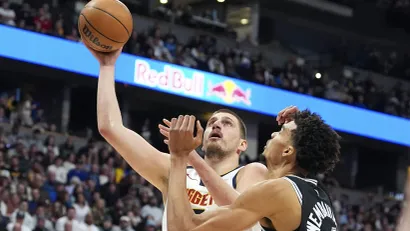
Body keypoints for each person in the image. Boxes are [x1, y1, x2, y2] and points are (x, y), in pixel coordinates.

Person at [85, 45, 268, 230]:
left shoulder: (251, 172)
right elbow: (110, 128)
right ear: (203, 141)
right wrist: (107, 67)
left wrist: (189, 155)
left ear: (242, 144)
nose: (216, 124)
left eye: (227, 123)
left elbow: (241, 214)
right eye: (212, 122)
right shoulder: (175, 168)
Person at [166, 110, 341, 231]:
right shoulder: (318, 193)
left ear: (287, 151)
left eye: (281, 132)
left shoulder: (278, 191)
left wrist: (179, 155)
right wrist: (303, 121)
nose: (273, 134)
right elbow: (317, 142)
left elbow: (185, 227)